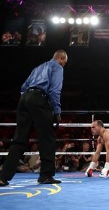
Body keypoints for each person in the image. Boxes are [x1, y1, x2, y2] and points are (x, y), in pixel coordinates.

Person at [0, 50, 68, 186]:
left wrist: (27, 101)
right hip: (38, 99)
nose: (64, 65)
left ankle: (3, 177)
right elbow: (55, 90)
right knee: (47, 138)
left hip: (24, 99)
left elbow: (24, 87)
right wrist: (57, 111)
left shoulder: (38, 67)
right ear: (61, 58)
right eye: (65, 62)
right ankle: (46, 175)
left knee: (19, 140)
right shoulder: (57, 67)